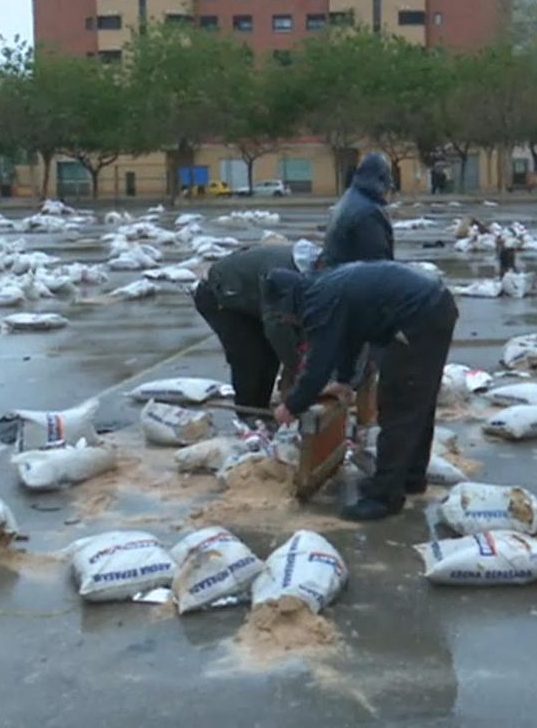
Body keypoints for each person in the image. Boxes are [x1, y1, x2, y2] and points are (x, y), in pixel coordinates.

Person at [263, 262, 458, 521]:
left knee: (399, 404)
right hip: (432, 305)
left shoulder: (319, 303)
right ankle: (410, 477)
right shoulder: (322, 290)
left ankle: (384, 497)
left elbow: (318, 364)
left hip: (421, 314)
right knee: (415, 400)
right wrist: (344, 381)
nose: (289, 321)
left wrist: (292, 406)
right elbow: (350, 338)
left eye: (285, 316)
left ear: (289, 302)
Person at [191, 244, 302, 412]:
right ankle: (248, 413)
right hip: (221, 297)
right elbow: (276, 326)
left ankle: (261, 409)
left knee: (270, 355)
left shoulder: (320, 277)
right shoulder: (282, 278)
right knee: (249, 355)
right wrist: (295, 365)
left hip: (253, 298)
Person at [323, 153, 395, 267]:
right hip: (351, 275)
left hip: (337, 271)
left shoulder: (350, 198)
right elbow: (377, 264)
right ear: (382, 182)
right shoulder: (369, 212)